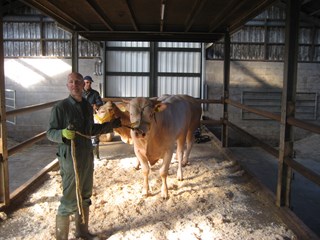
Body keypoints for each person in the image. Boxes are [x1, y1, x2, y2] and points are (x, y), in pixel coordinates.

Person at [47, 72, 121, 240]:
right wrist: (63, 134)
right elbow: (50, 133)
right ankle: (61, 237)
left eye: (78, 82)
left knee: (85, 194)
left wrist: (110, 126)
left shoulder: (87, 106)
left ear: (84, 85)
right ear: (68, 86)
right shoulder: (60, 108)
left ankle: (82, 232)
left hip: (87, 155)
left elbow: (90, 131)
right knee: (70, 197)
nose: (75, 84)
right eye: (71, 82)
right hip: (69, 158)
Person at [82, 75, 104, 159]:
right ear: (83, 83)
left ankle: (95, 155)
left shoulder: (95, 93)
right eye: (87, 82)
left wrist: (96, 105)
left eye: (90, 83)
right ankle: (84, 155)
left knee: (94, 136)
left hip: (92, 116)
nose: (88, 84)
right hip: (81, 117)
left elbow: (100, 104)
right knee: (82, 136)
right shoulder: (79, 93)